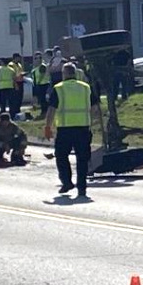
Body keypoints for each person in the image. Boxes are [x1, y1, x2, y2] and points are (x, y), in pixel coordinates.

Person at [44, 63, 100, 198]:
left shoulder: (59, 88)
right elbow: (95, 109)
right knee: (82, 159)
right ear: (75, 73)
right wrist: (90, 121)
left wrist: (47, 127)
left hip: (65, 129)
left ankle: (67, 182)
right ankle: (82, 188)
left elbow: (52, 109)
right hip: (83, 128)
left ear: (64, 74)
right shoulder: (86, 88)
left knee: (61, 156)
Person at [31, 51, 51, 117]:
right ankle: (44, 111)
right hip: (38, 84)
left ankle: (45, 111)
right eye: (36, 58)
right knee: (41, 99)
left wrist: (38, 82)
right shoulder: (36, 67)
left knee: (43, 99)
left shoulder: (42, 66)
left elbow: (42, 75)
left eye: (40, 57)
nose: (38, 59)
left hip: (43, 84)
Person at [10, 53, 25, 118]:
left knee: (19, 99)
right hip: (15, 83)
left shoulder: (19, 64)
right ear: (15, 58)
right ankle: (14, 113)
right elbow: (12, 75)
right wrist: (15, 84)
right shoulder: (11, 65)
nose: (19, 59)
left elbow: (20, 72)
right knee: (15, 99)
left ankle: (18, 112)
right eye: (18, 58)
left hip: (20, 82)